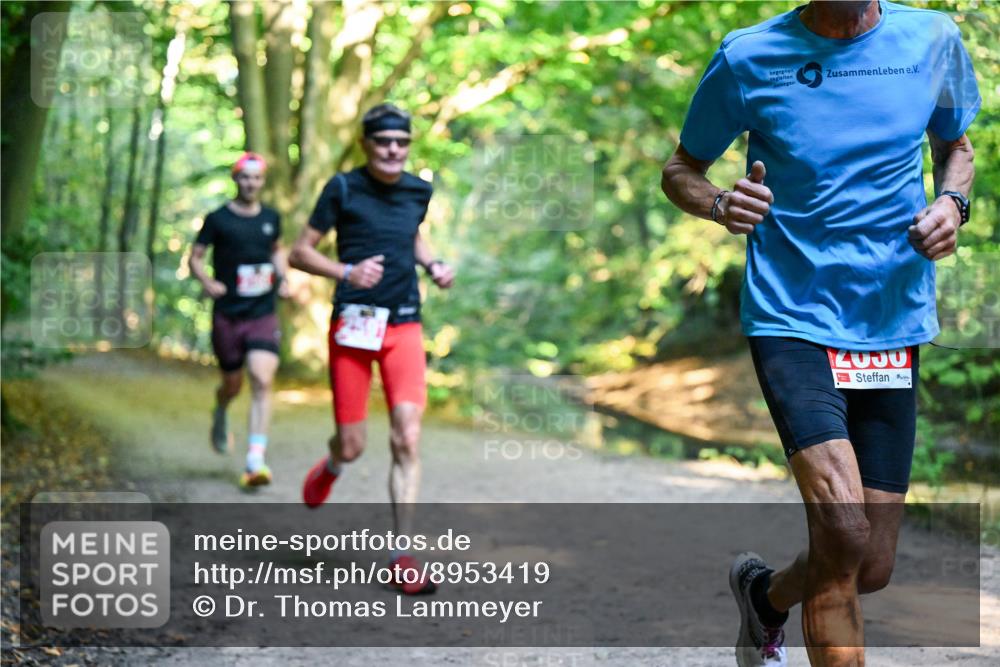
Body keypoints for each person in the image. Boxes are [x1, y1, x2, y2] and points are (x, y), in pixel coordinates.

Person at [660, 1, 979, 665]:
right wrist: (720, 203)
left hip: (892, 316)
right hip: (791, 313)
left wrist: (953, 203)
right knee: (843, 526)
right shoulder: (749, 56)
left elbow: (955, 148)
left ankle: (765, 597)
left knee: (871, 560)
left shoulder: (933, 38)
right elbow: (680, 169)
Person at [289, 103, 455, 595]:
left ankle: (402, 555)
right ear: (366, 144)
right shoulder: (342, 188)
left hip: (404, 323)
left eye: (401, 142)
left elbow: (413, 237)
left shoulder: (418, 191)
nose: (392, 150)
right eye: (383, 141)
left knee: (407, 435)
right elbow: (300, 252)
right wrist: (346, 272)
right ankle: (334, 464)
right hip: (354, 327)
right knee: (354, 443)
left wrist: (434, 264)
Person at [189, 152, 291, 489]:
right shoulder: (218, 219)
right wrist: (208, 282)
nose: (251, 183)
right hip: (228, 314)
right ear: (236, 180)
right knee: (233, 384)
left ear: (263, 181)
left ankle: (254, 460)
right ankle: (221, 409)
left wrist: (284, 276)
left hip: (262, 312)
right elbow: (196, 257)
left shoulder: (271, 218)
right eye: (245, 177)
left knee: (262, 379)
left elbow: (276, 249)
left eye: (257, 178)